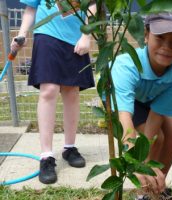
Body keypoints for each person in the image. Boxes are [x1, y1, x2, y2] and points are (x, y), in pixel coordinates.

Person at [110, 9, 172, 200]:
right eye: (160, 37)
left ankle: (157, 185)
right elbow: (124, 119)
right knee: (158, 140)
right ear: (146, 35)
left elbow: (157, 114)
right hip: (129, 103)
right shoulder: (127, 65)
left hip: (152, 100)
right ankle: (144, 192)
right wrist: (140, 162)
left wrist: (148, 164)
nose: (167, 46)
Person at [11, 0, 96, 184]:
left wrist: (86, 36)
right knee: (48, 90)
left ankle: (69, 148)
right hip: (47, 34)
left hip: (75, 38)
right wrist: (22, 34)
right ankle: (46, 156)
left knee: (72, 91)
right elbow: (31, 7)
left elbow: (92, 4)